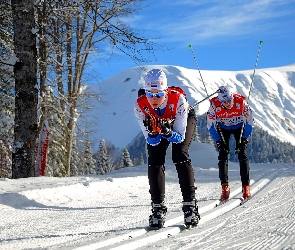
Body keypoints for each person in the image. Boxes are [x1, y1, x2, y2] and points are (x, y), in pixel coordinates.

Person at [134, 69, 200, 228]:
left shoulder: (178, 100)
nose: (154, 98)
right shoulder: (140, 106)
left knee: (179, 155)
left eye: (158, 94)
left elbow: (180, 137)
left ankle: (190, 206)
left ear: (166, 91)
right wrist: (153, 132)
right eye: (150, 94)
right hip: (161, 126)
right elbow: (152, 142)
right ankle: (158, 207)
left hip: (180, 122)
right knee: (155, 159)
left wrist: (167, 131)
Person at [207, 86, 254, 200]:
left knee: (242, 153)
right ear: (220, 101)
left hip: (239, 127)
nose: (227, 103)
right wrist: (218, 141)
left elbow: (249, 122)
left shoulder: (241, 103)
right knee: (223, 155)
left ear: (232, 96)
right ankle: (225, 187)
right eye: (224, 101)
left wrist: (244, 138)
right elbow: (210, 126)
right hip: (223, 128)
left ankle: (246, 186)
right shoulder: (214, 106)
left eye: (229, 99)